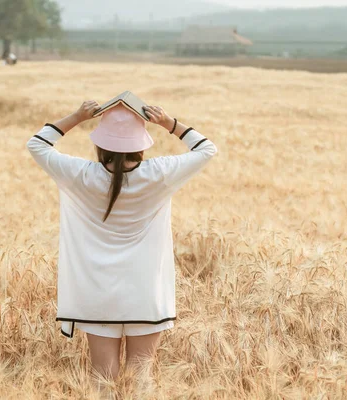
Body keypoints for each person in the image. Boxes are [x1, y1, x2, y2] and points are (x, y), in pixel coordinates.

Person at [26, 101, 218, 388]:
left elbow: (37, 145)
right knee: (141, 379)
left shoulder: (80, 174)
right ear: (141, 145)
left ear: (99, 145)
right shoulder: (159, 173)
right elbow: (207, 149)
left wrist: (77, 117)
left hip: (96, 291)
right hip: (145, 290)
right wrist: (169, 123)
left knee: (102, 381)